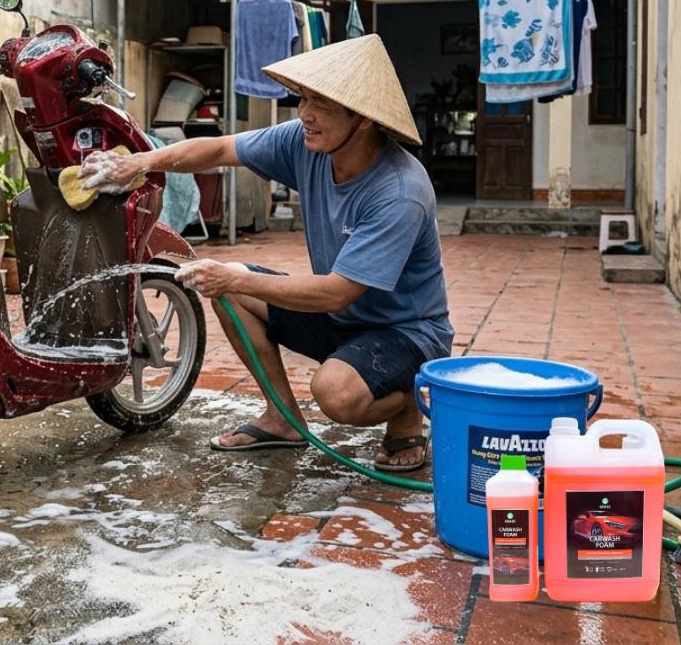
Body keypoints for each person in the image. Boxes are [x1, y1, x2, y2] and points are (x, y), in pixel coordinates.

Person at [81, 34, 453, 472]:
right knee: (233, 294)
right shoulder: (305, 142)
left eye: (323, 105)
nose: (306, 115)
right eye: (304, 99)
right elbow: (219, 148)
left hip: (405, 332)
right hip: (343, 321)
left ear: (364, 119)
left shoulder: (398, 191)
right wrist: (140, 163)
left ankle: (406, 410)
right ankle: (283, 418)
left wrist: (234, 275)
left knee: (335, 393)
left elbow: (337, 293)